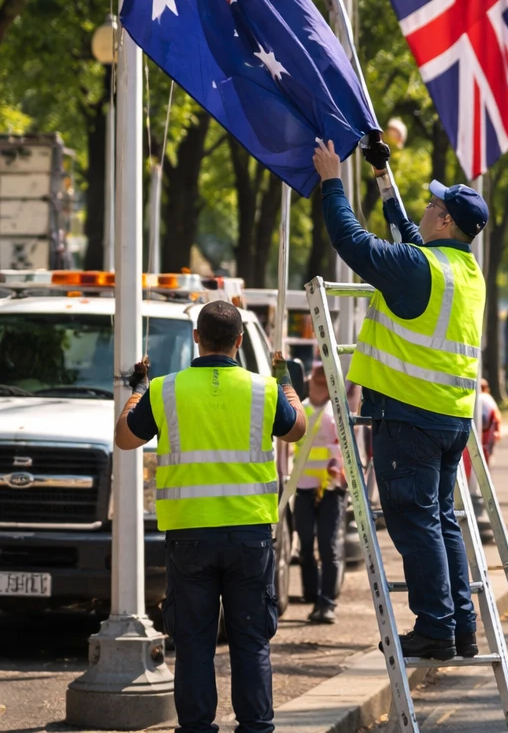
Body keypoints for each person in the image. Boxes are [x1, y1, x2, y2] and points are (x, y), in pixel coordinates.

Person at [313, 138, 486, 662]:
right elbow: (409, 236)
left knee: (416, 523)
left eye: (434, 205)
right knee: (441, 520)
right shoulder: (464, 271)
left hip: (407, 416)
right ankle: (460, 626)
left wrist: (331, 182)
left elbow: (351, 240)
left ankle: (434, 629)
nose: (427, 208)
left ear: (448, 223)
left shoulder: (419, 269)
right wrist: (383, 177)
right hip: (451, 418)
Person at [114, 300, 306, 733]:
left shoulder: (165, 389)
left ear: (196, 338)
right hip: (249, 535)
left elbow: (126, 438)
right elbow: (297, 429)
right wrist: (286, 380)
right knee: (250, 640)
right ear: (240, 341)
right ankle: (256, 727)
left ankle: (197, 728)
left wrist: (137, 390)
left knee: (195, 643)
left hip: (190, 535)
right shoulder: (264, 390)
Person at [294, 361, 346, 625]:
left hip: (331, 491)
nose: (319, 388)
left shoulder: (336, 413)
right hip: (302, 489)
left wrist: (341, 473)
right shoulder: (299, 410)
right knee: (305, 547)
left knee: (327, 547)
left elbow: (348, 451)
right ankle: (312, 596)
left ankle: (326, 603)